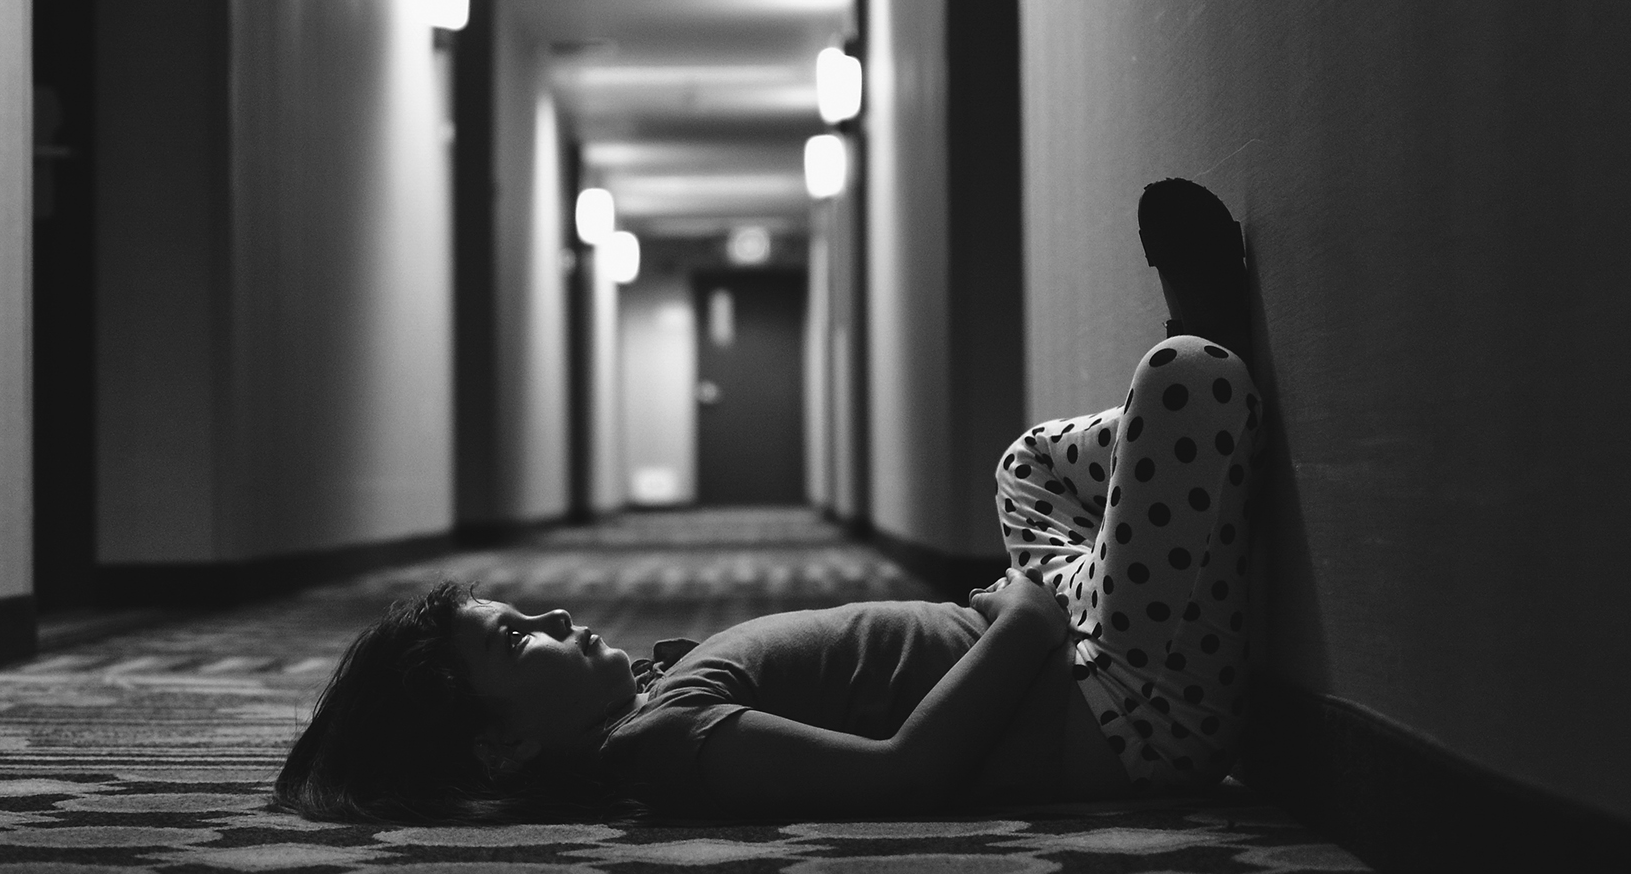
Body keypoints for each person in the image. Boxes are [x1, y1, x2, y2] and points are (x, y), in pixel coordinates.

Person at [275, 179, 1261, 822]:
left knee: (1023, 470)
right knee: (1183, 376)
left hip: (1063, 638)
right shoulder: (658, 746)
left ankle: (1172, 449)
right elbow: (902, 777)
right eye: (514, 638)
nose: (553, 611)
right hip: (1127, 706)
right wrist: (1021, 623)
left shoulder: (655, 702)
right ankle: (1206, 358)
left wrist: (1017, 612)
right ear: (503, 746)